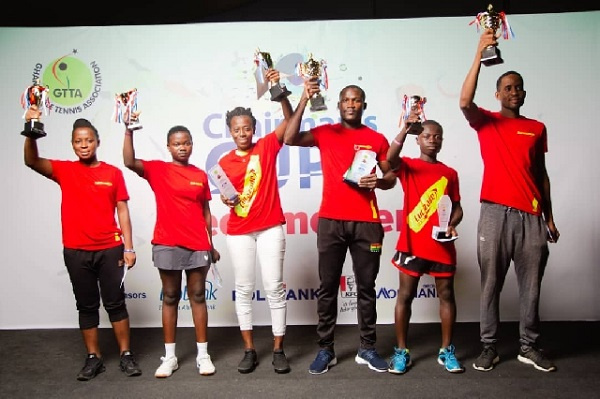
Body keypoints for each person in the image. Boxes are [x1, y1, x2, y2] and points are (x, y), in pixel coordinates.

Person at [459, 29, 559, 373]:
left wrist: (549, 217)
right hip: (494, 215)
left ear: (524, 93)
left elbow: (541, 175)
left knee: (531, 288)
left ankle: (528, 346)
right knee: (491, 284)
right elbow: (463, 102)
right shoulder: (486, 122)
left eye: (518, 87)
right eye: (507, 88)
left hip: (531, 217)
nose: (513, 92)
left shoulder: (537, 128)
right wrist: (479, 52)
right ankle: (489, 346)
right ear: (498, 93)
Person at [23, 105, 142, 381]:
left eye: (89, 140)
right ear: (72, 144)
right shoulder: (64, 170)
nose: (84, 145)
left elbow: (122, 210)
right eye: (78, 141)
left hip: (110, 248)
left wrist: (129, 247)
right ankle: (93, 357)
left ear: (97, 142)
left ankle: (126, 355)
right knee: (86, 306)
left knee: (115, 303)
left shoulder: (112, 173)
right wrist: (31, 132)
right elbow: (31, 161)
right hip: (76, 251)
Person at [284, 82, 395, 374]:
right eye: (346, 100)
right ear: (339, 105)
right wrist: (305, 98)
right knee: (327, 288)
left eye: (356, 100)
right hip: (331, 221)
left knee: (366, 287)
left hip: (367, 223)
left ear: (363, 106)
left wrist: (379, 182)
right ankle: (326, 350)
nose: (350, 104)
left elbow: (391, 177)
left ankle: (367, 349)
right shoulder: (326, 133)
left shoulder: (377, 138)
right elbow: (290, 137)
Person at [123, 122, 221, 377]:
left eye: (186, 142)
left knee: (198, 296)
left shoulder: (200, 175)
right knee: (170, 296)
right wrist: (128, 131)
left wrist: (211, 244)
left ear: (192, 145)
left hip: (198, 243)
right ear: (168, 147)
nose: (182, 147)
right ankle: (169, 357)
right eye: (177, 143)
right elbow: (129, 161)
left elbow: (206, 212)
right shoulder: (158, 169)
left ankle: (203, 355)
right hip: (167, 242)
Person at [218, 69, 294, 374]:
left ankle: (278, 349)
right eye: (236, 129)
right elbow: (228, 195)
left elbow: (289, 122)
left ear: (254, 128)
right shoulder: (223, 162)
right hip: (239, 231)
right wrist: (227, 200)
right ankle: (249, 349)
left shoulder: (266, 146)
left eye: (247, 128)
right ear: (230, 131)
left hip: (271, 227)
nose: (242, 133)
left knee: (274, 286)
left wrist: (277, 88)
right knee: (244, 288)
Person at [383, 118, 464, 374]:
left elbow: (458, 207)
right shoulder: (408, 166)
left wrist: (452, 223)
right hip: (412, 244)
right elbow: (389, 157)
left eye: (437, 136)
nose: (433, 140)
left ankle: (446, 350)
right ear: (418, 139)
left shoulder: (450, 173)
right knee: (405, 296)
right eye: (427, 136)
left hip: (441, 244)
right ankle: (401, 351)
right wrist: (405, 130)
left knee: (447, 295)